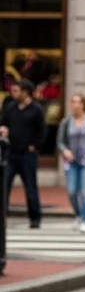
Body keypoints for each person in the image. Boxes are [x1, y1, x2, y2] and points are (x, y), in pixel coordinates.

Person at [1, 79, 45, 228]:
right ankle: (2, 216)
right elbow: (3, 122)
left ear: (25, 92)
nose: (13, 93)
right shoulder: (10, 107)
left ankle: (35, 218)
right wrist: (3, 130)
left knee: (30, 186)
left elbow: (42, 130)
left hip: (27, 154)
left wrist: (35, 145)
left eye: (16, 91)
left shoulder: (36, 109)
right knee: (5, 185)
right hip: (11, 153)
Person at [56, 93, 85, 233]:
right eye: (73, 102)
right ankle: (78, 213)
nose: (74, 105)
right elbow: (60, 141)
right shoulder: (66, 122)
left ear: (83, 105)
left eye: (77, 102)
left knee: (84, 191)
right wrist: (65, 151)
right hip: (71, 161)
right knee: (71, 191)